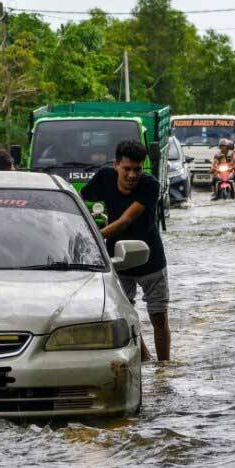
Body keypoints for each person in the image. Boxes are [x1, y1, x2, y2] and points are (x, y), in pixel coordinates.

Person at [80, 140, 170, 362]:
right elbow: (82, 198)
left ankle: (165, 368)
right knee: (124, 317)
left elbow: (125, 220)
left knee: (159, 317)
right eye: (126, 169)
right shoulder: (104, 177)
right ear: (115, 165)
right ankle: (146, 359)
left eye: (137, 169)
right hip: (119, 260)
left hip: (150, 259)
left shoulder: (150, 185)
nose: (132, 175)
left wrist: (93, 235)